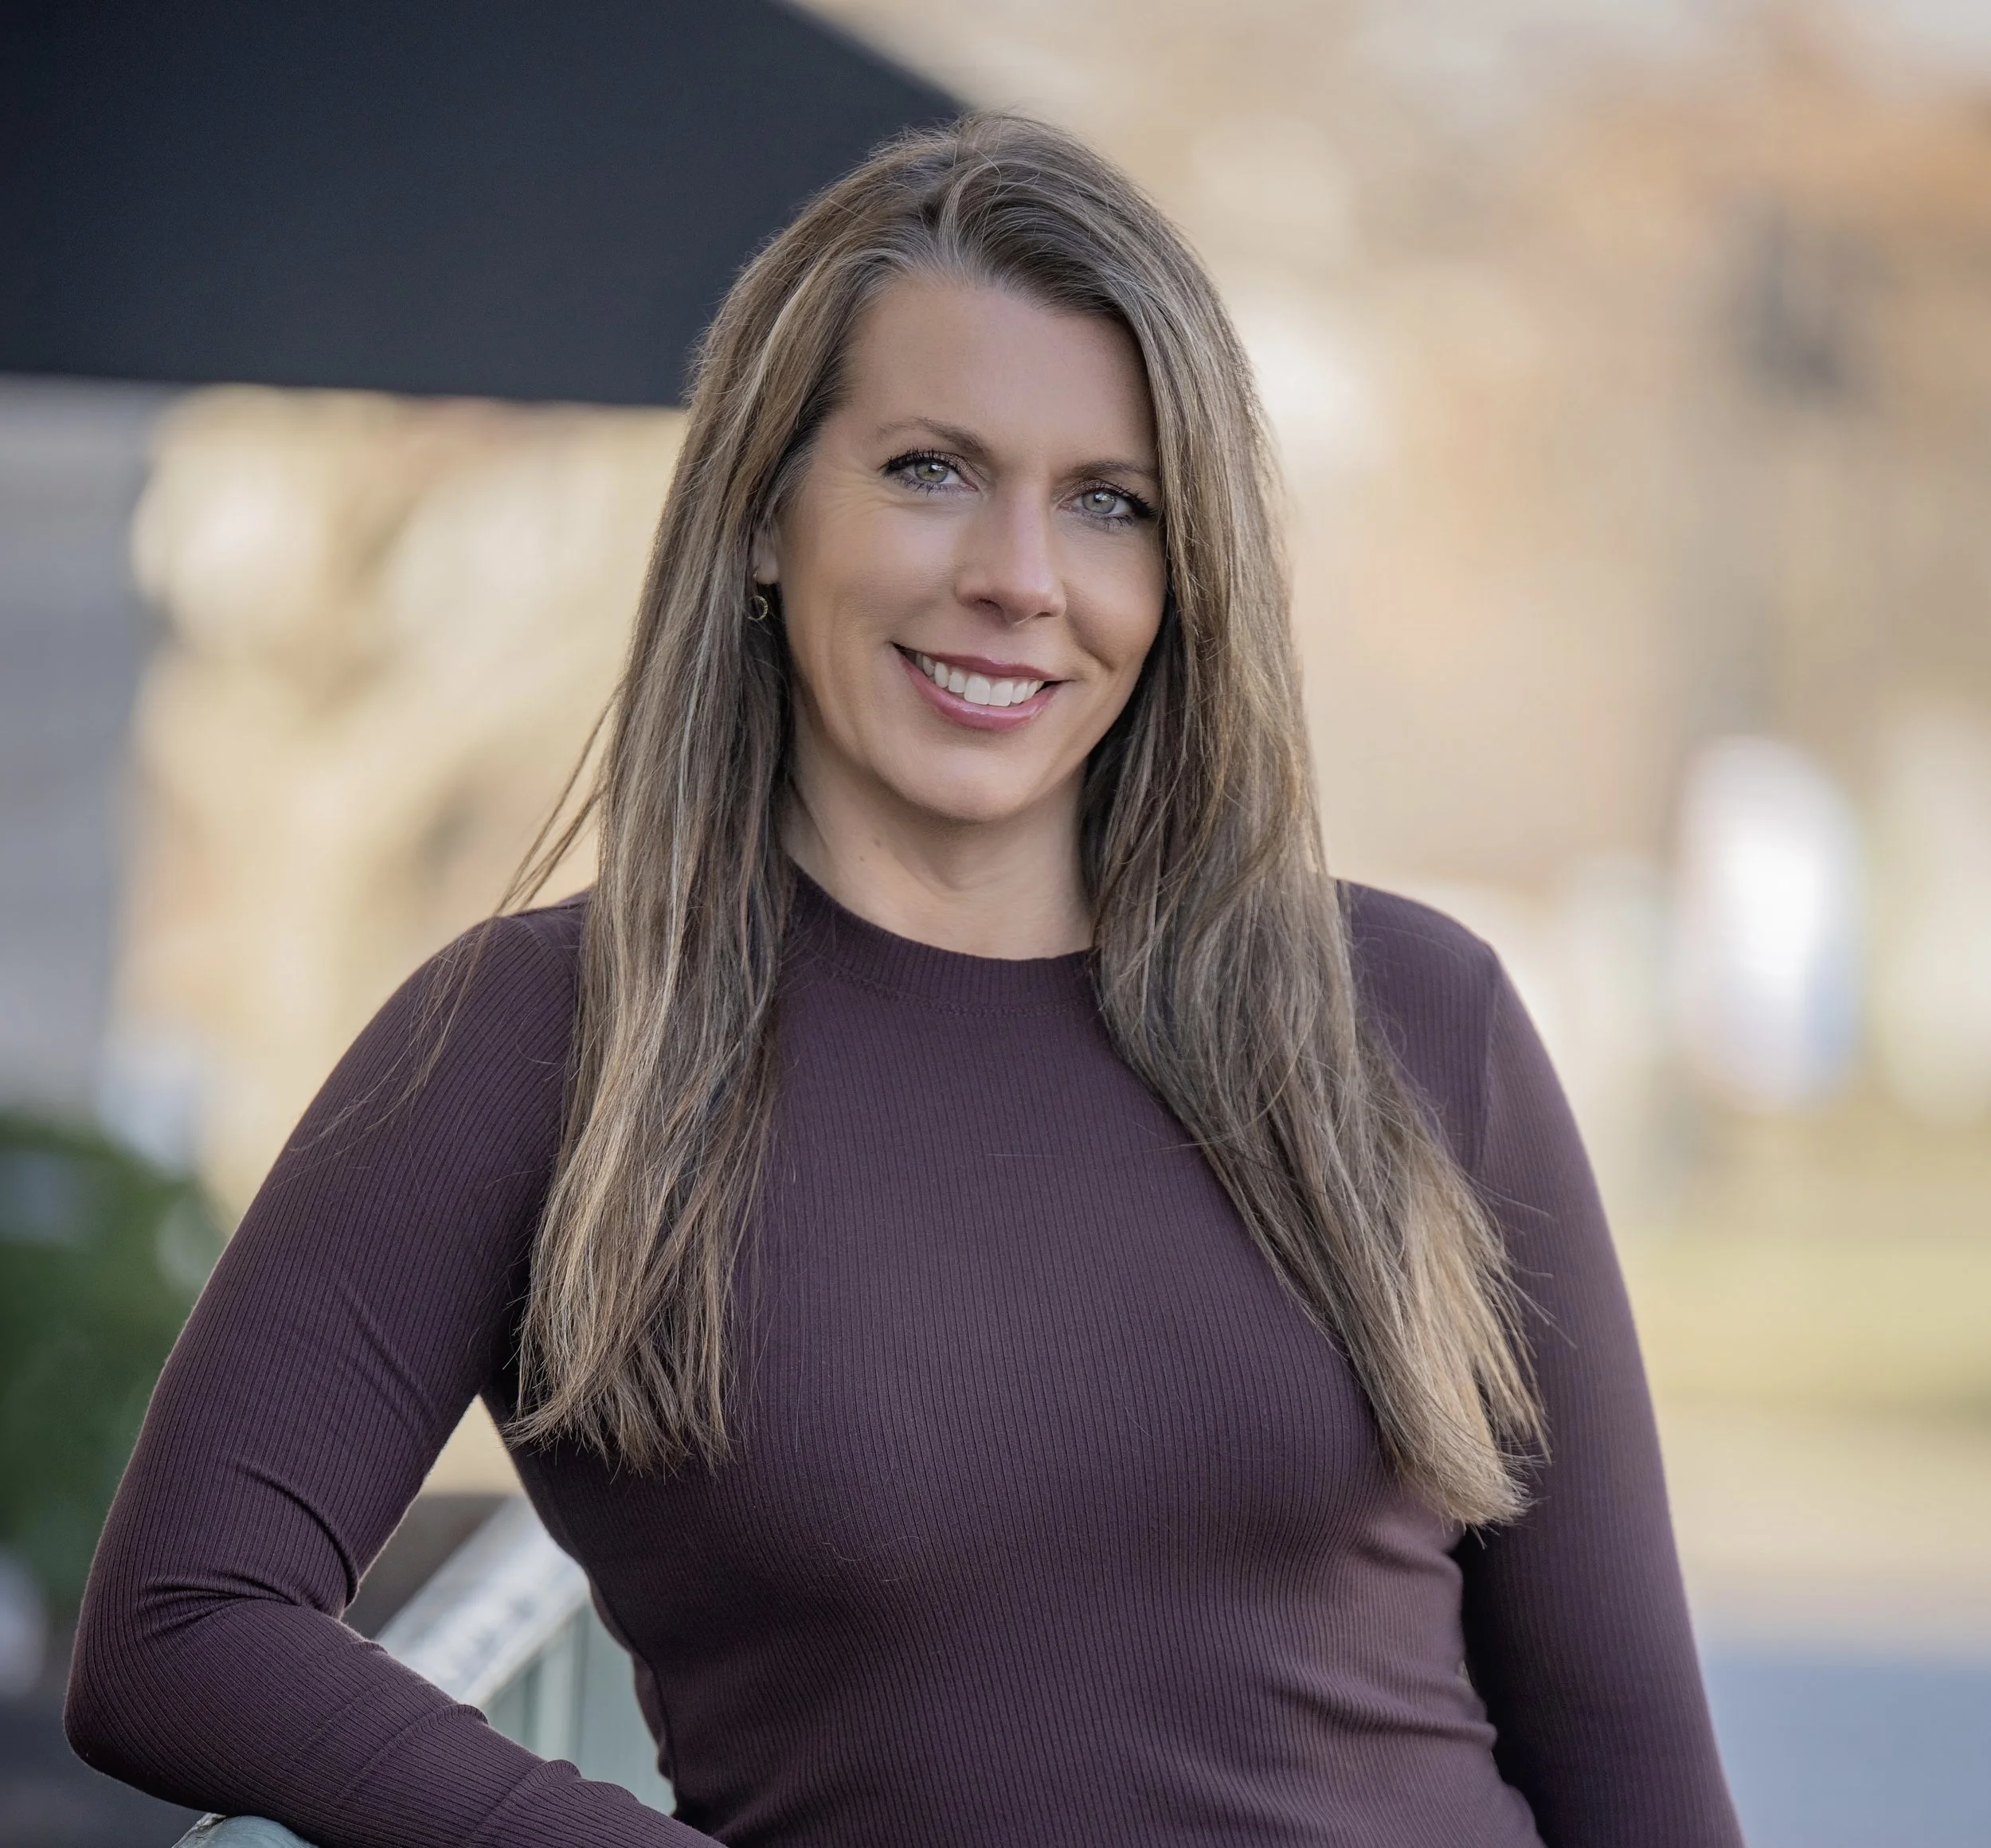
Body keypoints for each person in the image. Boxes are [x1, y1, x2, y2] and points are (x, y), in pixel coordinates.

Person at [66, 114, 1742, 1848]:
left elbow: (1632, 1772)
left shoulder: (1408, 1016)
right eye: (930, 468)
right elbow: (182, 1624)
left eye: (1109, 504)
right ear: (766, 512)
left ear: (1181, 580)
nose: (1018, 579)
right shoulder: (551, 1046)